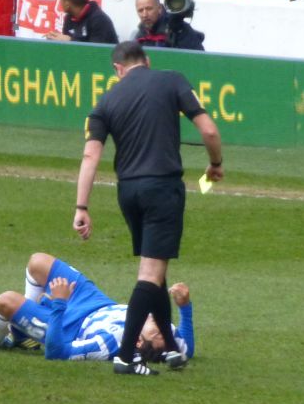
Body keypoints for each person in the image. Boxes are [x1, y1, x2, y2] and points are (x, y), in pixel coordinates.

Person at [72, 40, 222, 375]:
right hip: (162, 187)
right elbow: (209, 130)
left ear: (117, 69)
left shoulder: (106, 100)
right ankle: (126, 356)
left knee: (157, 268)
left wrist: (81, 206)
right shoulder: (172, 79)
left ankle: (169, 347)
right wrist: (215, 164)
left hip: (128, 192)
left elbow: (90, 156)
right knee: (150, 274)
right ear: (148, 61)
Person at [0, 252, 194, 368]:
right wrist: (185, 308)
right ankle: (22, 334)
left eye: (156, 332)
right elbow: (188, 349)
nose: (163, 326)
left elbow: (57, 353)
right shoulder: (169, 336)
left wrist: (58, 305)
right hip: (94, 300)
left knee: (5, 302)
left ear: (139, 343)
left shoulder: (109, 342)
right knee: (38, 262)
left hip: (71, 325)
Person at [46, 0, 119, 43]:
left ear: (67, 3)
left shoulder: (99, 20)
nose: (60, 3)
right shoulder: (69, 18)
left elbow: (95, 53)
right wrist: (57, 39)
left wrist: (70, 40)